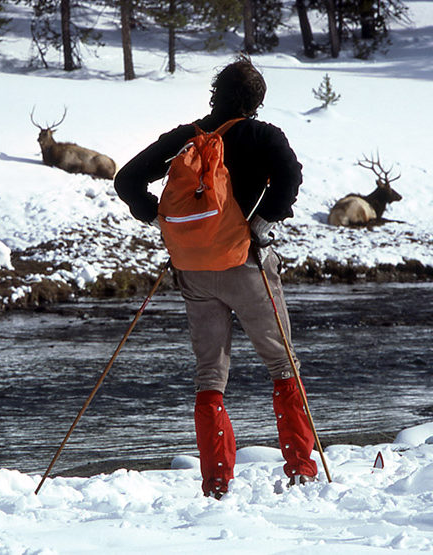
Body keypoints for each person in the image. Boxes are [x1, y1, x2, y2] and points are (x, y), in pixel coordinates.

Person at [113, 56, 318, 499]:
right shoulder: (263, 135)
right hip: (247, 266)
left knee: (209, 375)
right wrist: (262, 222)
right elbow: (290, 176)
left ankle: (217, 482)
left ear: (215, 95)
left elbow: (127, 179)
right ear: (256, 101)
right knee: (283, 366)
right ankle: (301, 468)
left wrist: (160, 220)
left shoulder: (186, 137)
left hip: (193, 271)